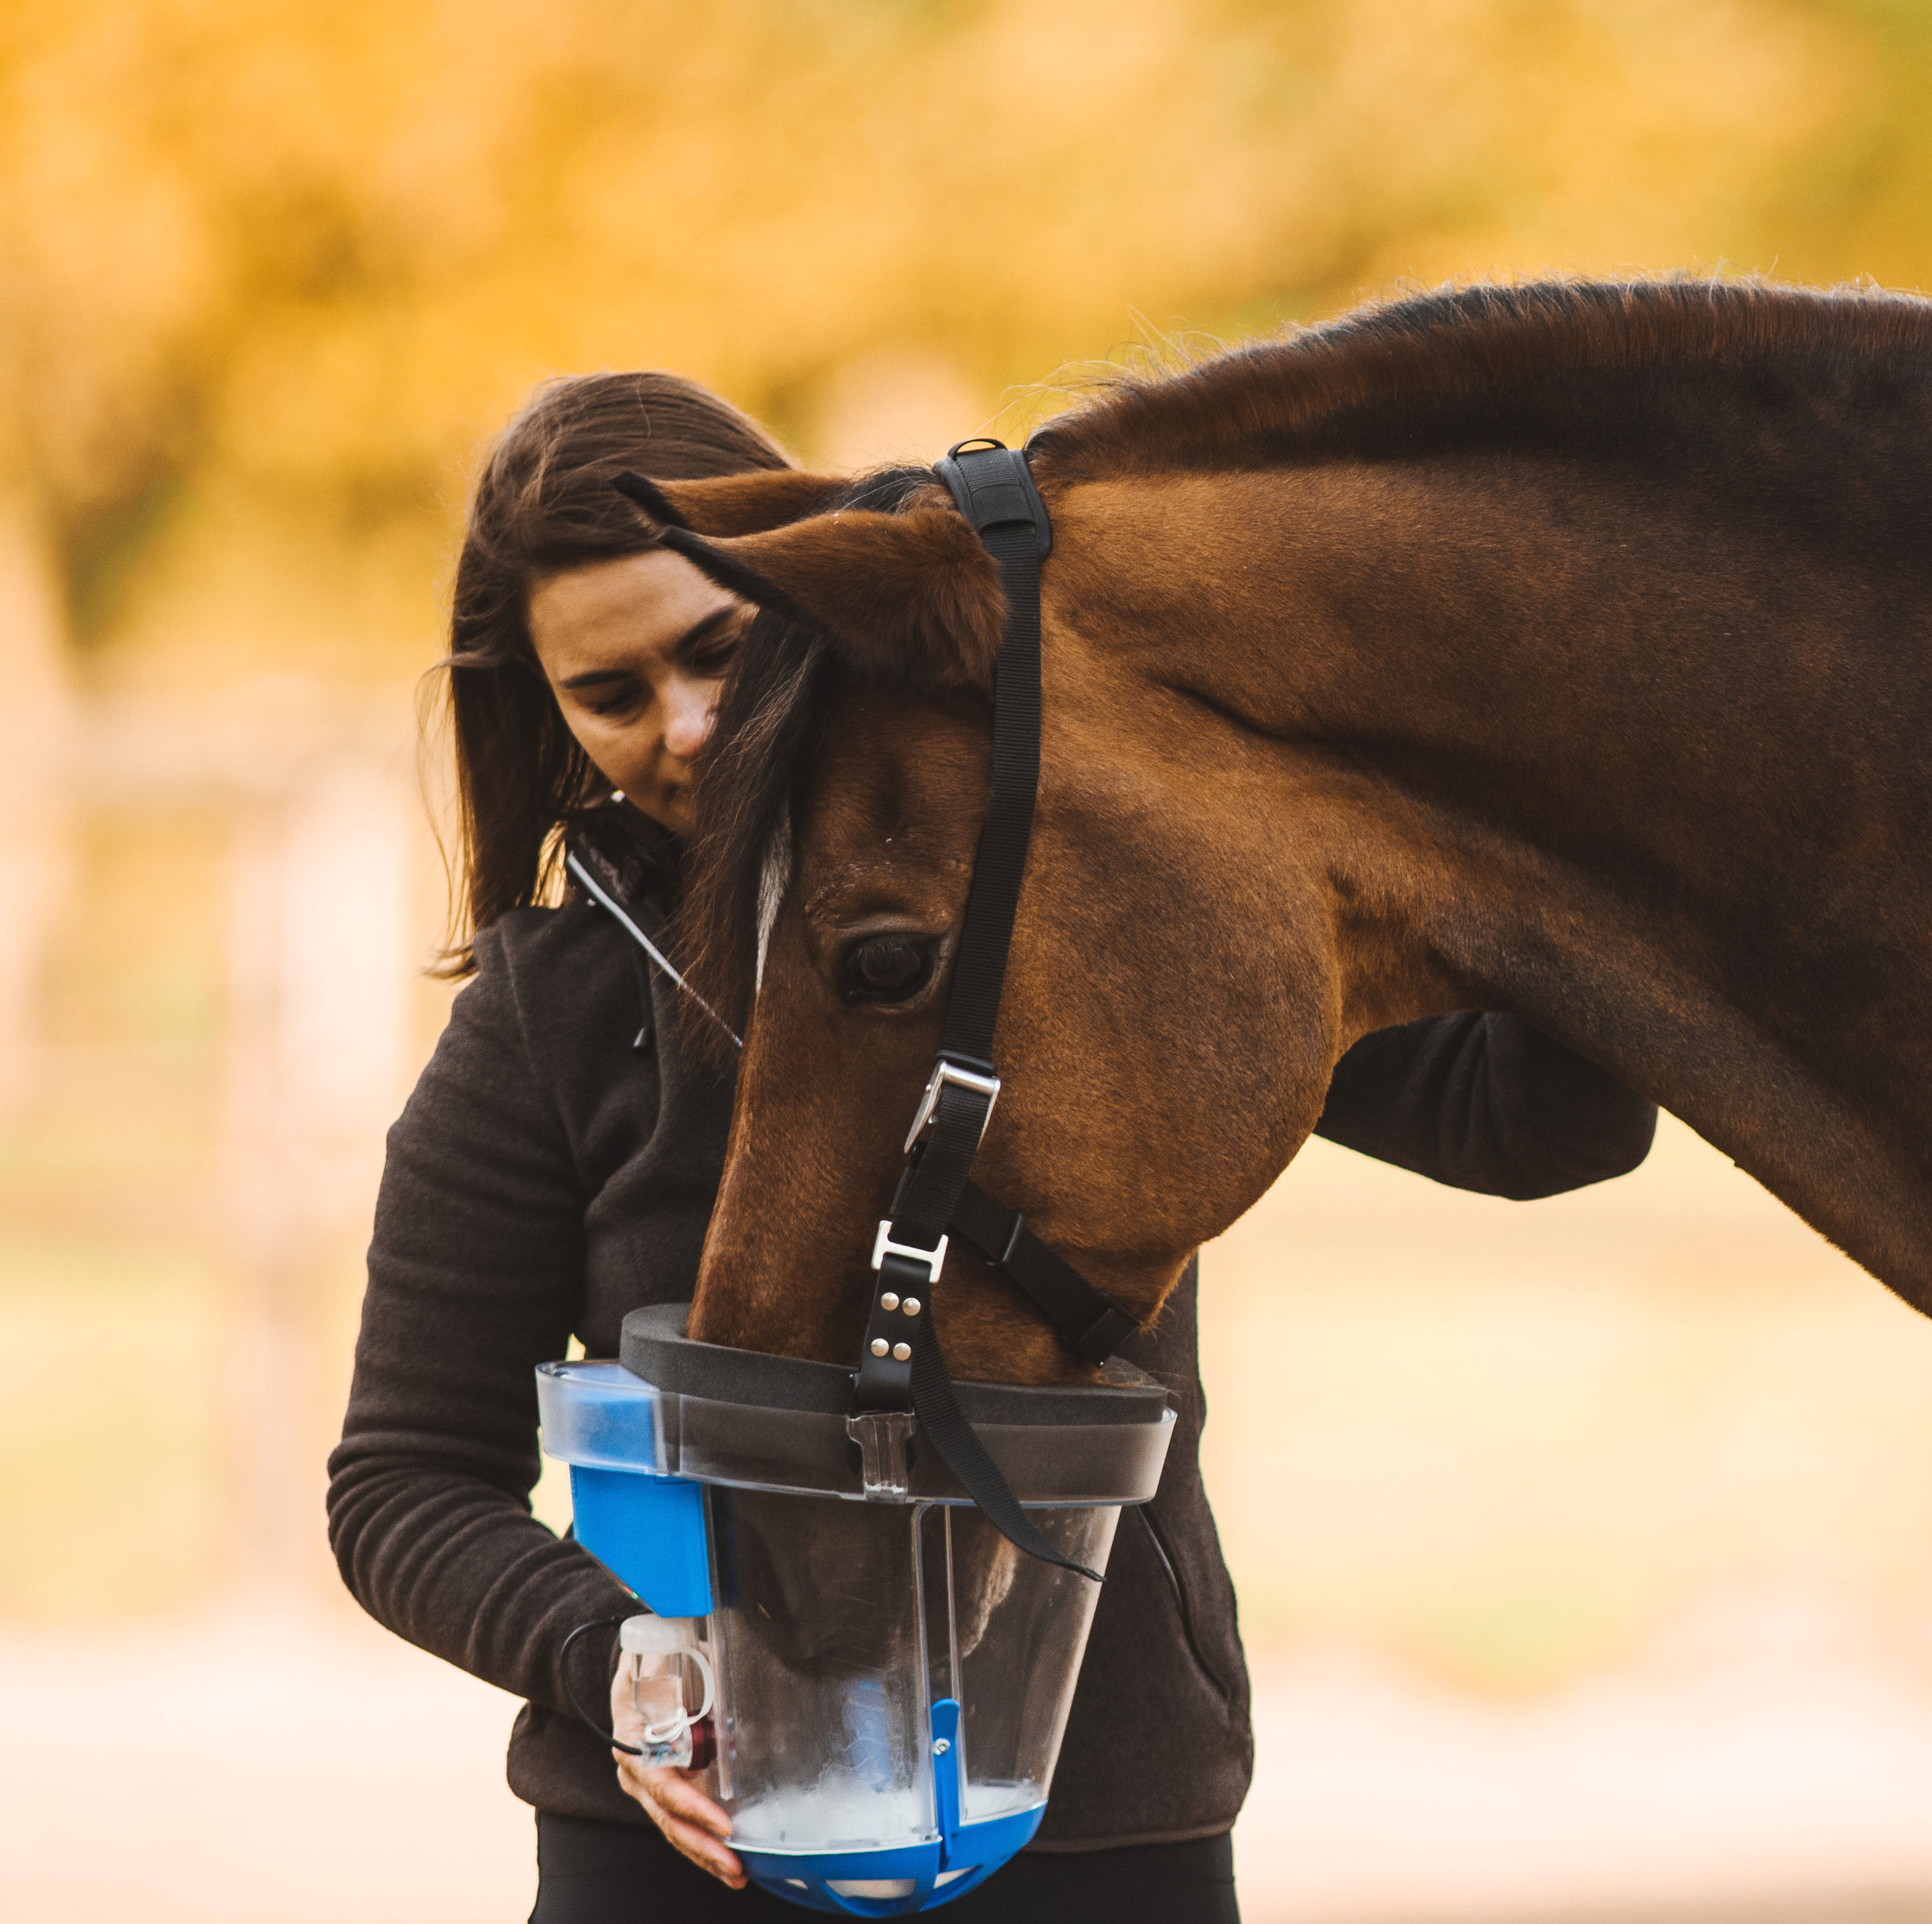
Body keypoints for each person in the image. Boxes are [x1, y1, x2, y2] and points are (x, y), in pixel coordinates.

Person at [325, 370, 1658, 1924]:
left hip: (1102, 1826)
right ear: (543, 710)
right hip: (694, 1852)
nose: (684, 729)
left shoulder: (1081, 891)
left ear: (810, 590)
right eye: (610, 695)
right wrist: (606, 1653)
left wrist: (1541, 786)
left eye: (716, 649)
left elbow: (1536, 1123)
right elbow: (401, 1479)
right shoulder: (544, 1019)